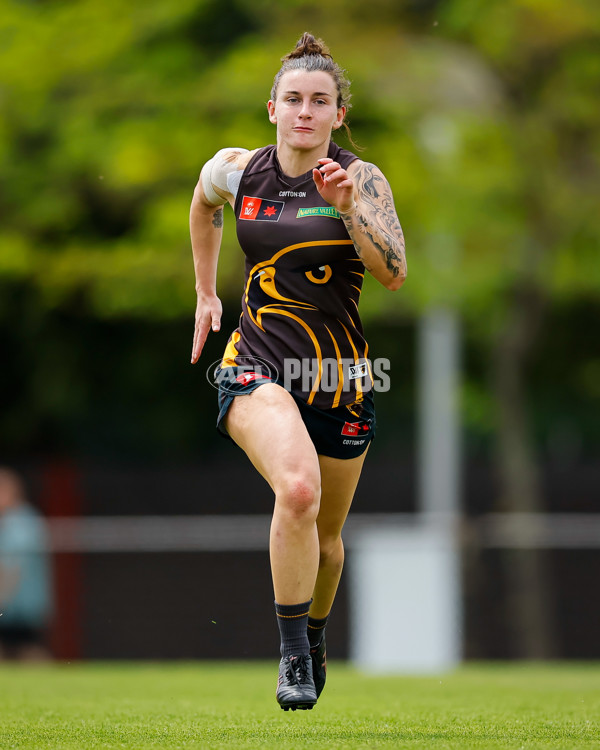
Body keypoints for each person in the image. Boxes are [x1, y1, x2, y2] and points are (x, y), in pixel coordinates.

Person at [190, 32, 406, 710]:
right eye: (293, 99)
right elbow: (203, 205)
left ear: (339, 114)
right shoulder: (237, 169)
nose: (305, 111)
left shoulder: (362, 178)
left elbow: (393, 272)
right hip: (255, 365)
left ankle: (311, 637)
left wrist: (348, 209)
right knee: (299, 491)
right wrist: (205, 292)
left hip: (341, 378)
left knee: (329, 540)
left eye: (320, 100)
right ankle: (290, 662)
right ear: (272, 109)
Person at [0, 468, 52, 661]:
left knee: (27, 651)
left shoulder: (20, 524)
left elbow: (12, 568)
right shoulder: (12, 522)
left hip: (20, 607)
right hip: (14, 607)